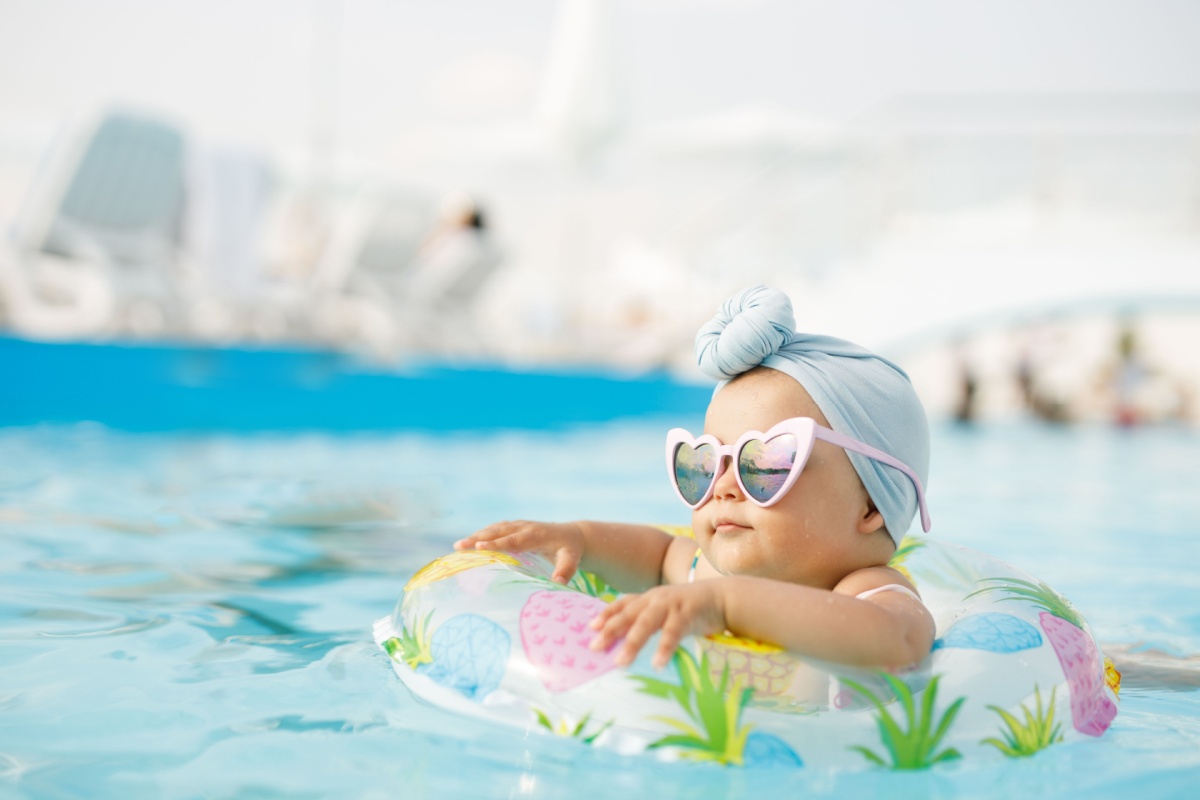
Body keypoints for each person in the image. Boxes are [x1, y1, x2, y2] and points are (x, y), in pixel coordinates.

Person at [455, 285, 935, 674]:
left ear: (871, 505)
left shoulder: (866, 589)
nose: (722, 487)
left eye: (763, 464)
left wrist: (727, 604)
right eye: (704, 464)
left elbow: (898, 639)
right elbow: (660, 556)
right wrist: (579, 538)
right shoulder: (709, 573)